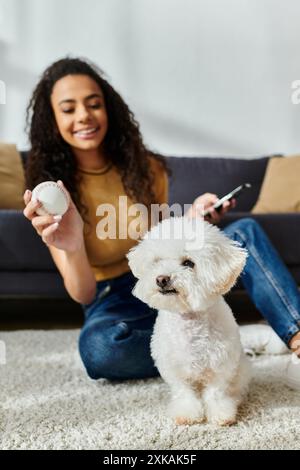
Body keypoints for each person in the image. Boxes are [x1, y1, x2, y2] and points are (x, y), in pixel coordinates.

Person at [23, 57, 300, 387]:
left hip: (168, 273)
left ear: (108, 109)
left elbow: (158, 236)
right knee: (101, 350)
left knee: (244, 232)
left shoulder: (144, 166)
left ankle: (296, 335)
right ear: (53, 121)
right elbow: (83, 294)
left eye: (93, 104)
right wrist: (72, 244)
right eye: (68, 109)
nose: (84, 115)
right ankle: (231, 342)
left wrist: (191, 220)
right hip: (112, 298)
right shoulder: (51, 191)